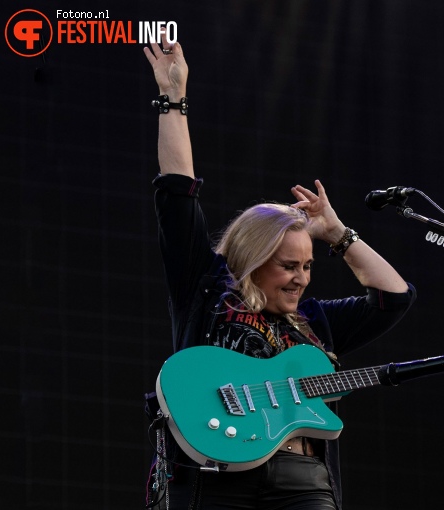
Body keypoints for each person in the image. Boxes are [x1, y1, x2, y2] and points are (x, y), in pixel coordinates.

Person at [143, 39, 416, 510]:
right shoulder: (206, 288)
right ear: (252, 258)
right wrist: (173, 99)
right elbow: (177, 192)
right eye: (288, 266)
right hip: (213, 478)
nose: (302, 278)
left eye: (308, 266)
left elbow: (394, 296)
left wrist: (337, 233)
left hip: (305, 483)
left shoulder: (317, 321)